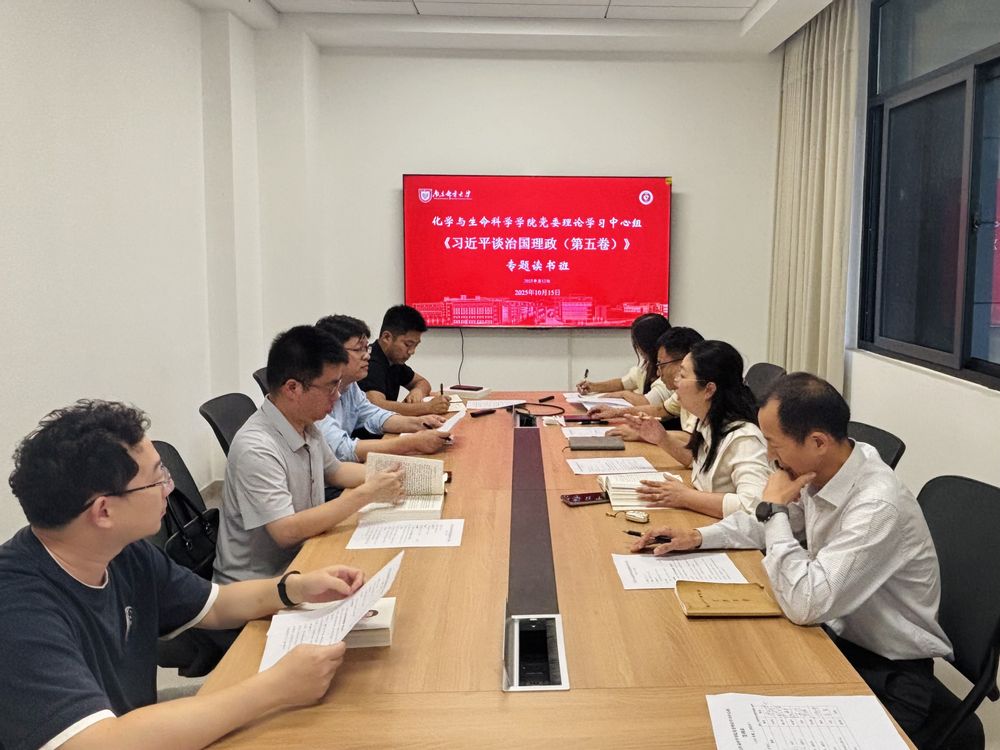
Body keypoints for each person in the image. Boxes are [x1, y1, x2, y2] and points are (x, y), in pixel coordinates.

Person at [0, 400, 368, 750]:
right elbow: (97, 743)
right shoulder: (18, 608)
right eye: (156, 479)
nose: (169, 487)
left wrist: (294, 588)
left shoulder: (123, 552)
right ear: (104, 512)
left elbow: (216, 605)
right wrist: (276, 688)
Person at [631, 372, 952, 735]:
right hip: (833, 636)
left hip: (890, 676)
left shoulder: (878, 506)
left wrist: (774, 510)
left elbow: (806, 603)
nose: (769, 456)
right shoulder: (825, 469)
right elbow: (773, 526)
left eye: (773, 444)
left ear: (817, 442)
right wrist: (698, 537)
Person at [214, 325, 404, 584]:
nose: (337, 396)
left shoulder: (306, 423)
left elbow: (336, 471)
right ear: (293, 388)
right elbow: (286, 531)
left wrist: (397, 474)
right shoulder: (256, 448)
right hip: (262, 583)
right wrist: (367, 493)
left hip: (305, 555)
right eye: (331, 387)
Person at [624, 340, 770, 518]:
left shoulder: (744, 439)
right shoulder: (708, 422)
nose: (676, 381)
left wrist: (685, 497)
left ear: (709, 390)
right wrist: (662, 438)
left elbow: (755, 506)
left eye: (682, 375)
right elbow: (698, 464)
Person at [315, 315, 451, 462]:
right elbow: (341, 450)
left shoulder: (350, 385)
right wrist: (411, 443)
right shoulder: (314, 393)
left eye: (366, 348)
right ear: (332, 354)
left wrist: (420, 423)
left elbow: (374, 415)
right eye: (359, 349)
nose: (367, 356)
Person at [592, 326, 704, 432]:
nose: (658, 372)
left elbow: (691, 440)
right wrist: (616, 412)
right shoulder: (682, 391)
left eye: (661, 365)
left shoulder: (702, 393)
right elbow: (661, 410)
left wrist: (646, 435)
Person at [360, 304, 450, 417]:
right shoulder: (370, 362)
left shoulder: (394, 361)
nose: (412, 351)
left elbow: (422, 382)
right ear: (387, 337)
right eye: (408, 344)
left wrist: (417, 391)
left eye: (416, 345)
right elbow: (377, 406)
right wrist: (427, 407)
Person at [574, 313, 670, 404]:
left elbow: (647, 402)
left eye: (637, 344)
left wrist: (623, 394)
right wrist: (593, 386)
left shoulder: (669, 372)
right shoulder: (647, 366)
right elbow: (623, 383)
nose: (638, 349)